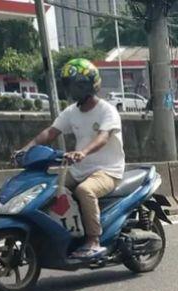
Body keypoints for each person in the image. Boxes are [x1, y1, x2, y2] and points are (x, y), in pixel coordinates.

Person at [16, 58, 125, 259]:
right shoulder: (71, 112)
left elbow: (102, 137)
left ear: (91, 85)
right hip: (78, 169)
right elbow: (51, 132)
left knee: (85, 190)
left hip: (108, 170)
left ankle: (93, 240)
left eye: (78, 85)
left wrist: (83, 152)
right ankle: (60, 234)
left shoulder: (106, 111)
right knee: (47, 189)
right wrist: (27, 148)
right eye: (70, 85)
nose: (74, 90)